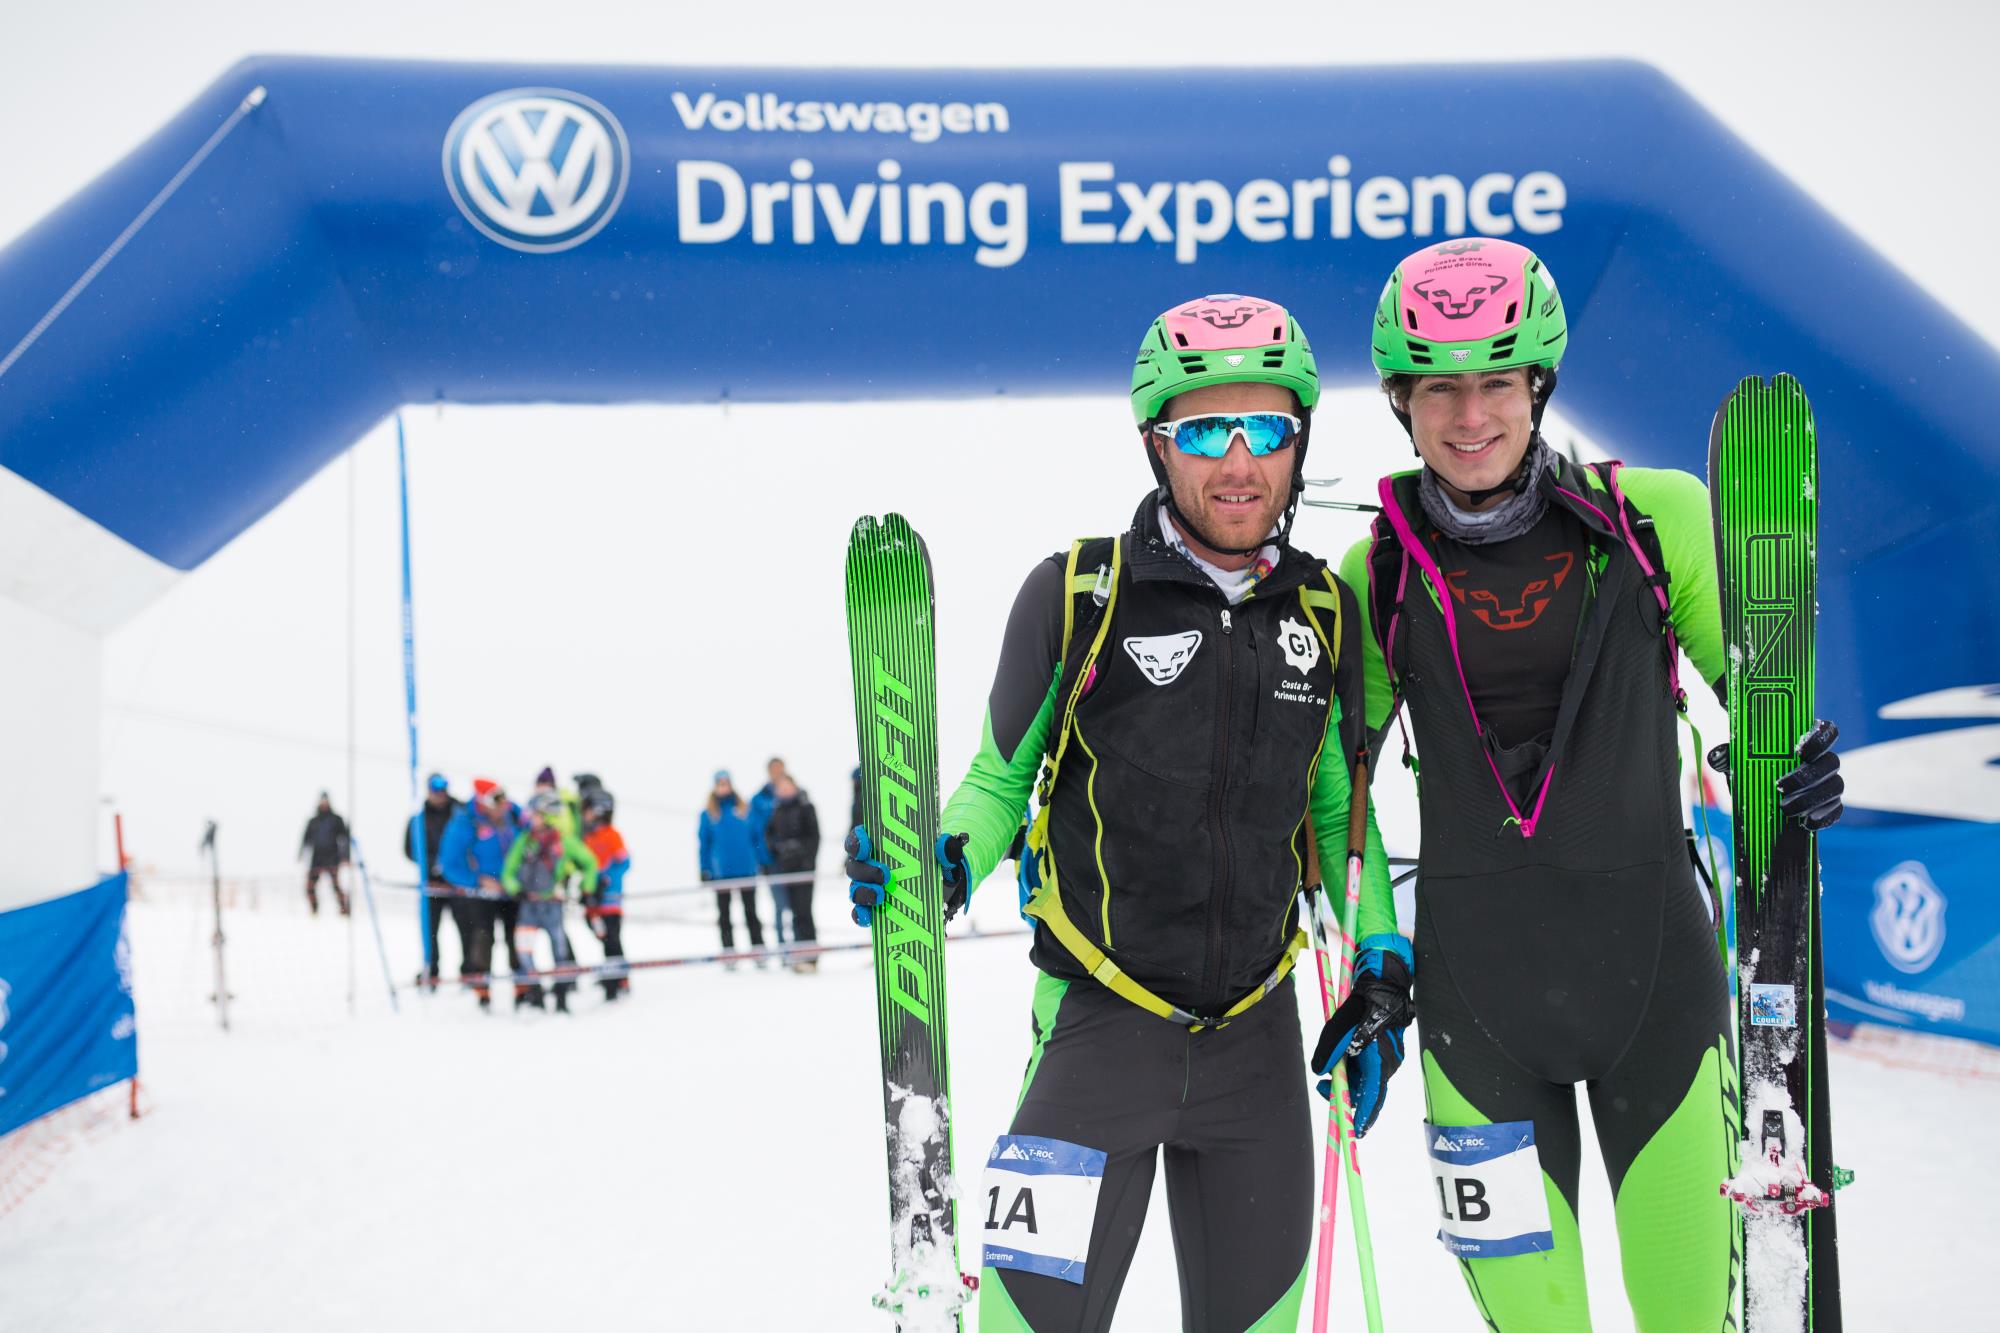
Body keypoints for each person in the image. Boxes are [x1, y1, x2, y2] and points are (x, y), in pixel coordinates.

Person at [847, 293, 1391, 1331]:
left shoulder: (1323, 612)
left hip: (1256, 1050)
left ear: (1298, 440)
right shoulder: (1078, 593)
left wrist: (1382, 959)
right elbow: (996, 781)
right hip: (1097, 1032)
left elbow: (1335, 813)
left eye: (1266, 429)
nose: (1238, 462)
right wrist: (937, 860)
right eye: (1201, 431)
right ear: (1155, 443)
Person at [1338, 237, 1846, 1331]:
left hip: (1655, 999)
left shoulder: (1656, 518)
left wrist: (1795, 765)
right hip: (1473, 1025)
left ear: (1537, 386)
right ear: (1400, 401)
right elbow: (1334, 796)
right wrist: (1377, 951)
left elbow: (1756, 704)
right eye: (1437, 388)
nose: (1467, 415)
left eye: (1494, 382)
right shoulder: (1369, 572)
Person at [504, 791, 597, 1013]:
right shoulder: (524, 841)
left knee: (560, 952)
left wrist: (587, 888)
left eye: (535, 814)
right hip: (528, 906)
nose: (530, 818)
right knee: (524, 952)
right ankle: (536, 994)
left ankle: (562, 998)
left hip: (553, 906)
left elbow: (589, 863)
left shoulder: (565, 842)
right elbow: (508, 870)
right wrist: (515, 889)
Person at [437, 778, 519, 1010]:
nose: (502, 805)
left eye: (503, 799)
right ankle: (482, 991)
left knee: (518, 938)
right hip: (482, 894)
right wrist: (478, 880)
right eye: (496, 801)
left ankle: (523, 988)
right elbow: (449, 864)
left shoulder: (512, 814)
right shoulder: (465, 822)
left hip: (512, 890)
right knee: (483, 937)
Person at [405, 773, 467, 989]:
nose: (439, 793)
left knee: (466, 928)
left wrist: (452, 866)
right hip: (432, 884)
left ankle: (468, 972)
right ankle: (431, 969)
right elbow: (410, 849)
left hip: (459, 883)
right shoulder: (419, 819)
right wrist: (432, 864)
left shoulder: (460, 814)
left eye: (443, 788)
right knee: (430, 929)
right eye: (435, 788)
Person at [698, 770, 766, 965]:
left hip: (746, 869)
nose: (723, 787)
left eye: (725, 783)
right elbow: (704, 844)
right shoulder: (708, 814)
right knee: (724, 915)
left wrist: (763, 861)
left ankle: (758, 950)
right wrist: (704, 868)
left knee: (751, 912)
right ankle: (729, 953)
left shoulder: (744, 809)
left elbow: (757, 838)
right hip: (721, 873)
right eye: (719, 784)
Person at [761, 774, 821, 972]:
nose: (785, 790)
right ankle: (799, 954)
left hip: (804, 869)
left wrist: (803, 854)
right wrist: (779, 849)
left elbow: (814, 837)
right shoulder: (777, 809)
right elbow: (769, 836)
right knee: (794, 912)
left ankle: (811, 956)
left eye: (787, 786)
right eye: (781, 787)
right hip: (787, 869)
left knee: (805, 910)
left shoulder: (805, 806)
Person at [579, 789, 631, 1000]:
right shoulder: (588, 838)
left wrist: (605, 879)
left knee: (612, 939)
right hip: (593, 901)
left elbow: (624, 862)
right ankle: (614, 974)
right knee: (602, 936)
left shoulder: (611, 835)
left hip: (610, 901)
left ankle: (618, 980)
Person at [748, 757, 790, 938]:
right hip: (772, 862)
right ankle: (784, 948)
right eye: (774, 769)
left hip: (794, 861)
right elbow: (755, 833)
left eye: (779, 769)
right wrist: (762, 860)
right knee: (780, 906)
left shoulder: (796, 795)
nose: (777, 772)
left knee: (798, 907)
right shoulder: (759, 800)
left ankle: (801, 948)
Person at [298, 792, 351, 917]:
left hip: (332, 857)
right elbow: (305, 840)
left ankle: (344, 909)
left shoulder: (336, 820)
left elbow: (345, 839)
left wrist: (346, 857)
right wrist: (300, 855)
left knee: (336, 886)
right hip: (317, 858)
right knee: (310, 886)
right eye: (322, 801)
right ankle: (314, 909)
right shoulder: (313, 821)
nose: (324, 803)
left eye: (326, 800)